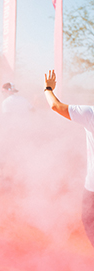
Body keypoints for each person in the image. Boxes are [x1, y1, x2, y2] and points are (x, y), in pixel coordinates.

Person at [44, 69, 94, 248]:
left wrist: (48, 89)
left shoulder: (91, 113)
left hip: (92, 187)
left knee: (89, 221)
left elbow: (55, 106)